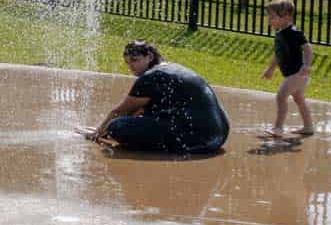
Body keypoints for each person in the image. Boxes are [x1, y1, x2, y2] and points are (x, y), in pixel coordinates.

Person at [88, 40, 232, 155]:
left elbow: (119, 112)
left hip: (198, 139)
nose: (131, 66)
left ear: (149, 57)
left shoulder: (150, 77)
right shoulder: (171, 68)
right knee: (142, 118)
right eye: (127, 62)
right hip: (219, 134)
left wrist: (98, 133)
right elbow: (140, 111)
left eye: (134, 60)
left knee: (117, 126)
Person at [262, 0, 315, 137]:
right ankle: (308, 126)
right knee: (299, 99)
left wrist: (307, 65)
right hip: (294, 74)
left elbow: (308, 49)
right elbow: (278, 55)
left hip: (298, 73)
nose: (269, 20)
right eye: (269, 17)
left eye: (272, 17)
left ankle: (278, 128)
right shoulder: (280, 34)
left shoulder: (294, 32)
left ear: (286, 16)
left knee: (281, 97)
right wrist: (271, 69)